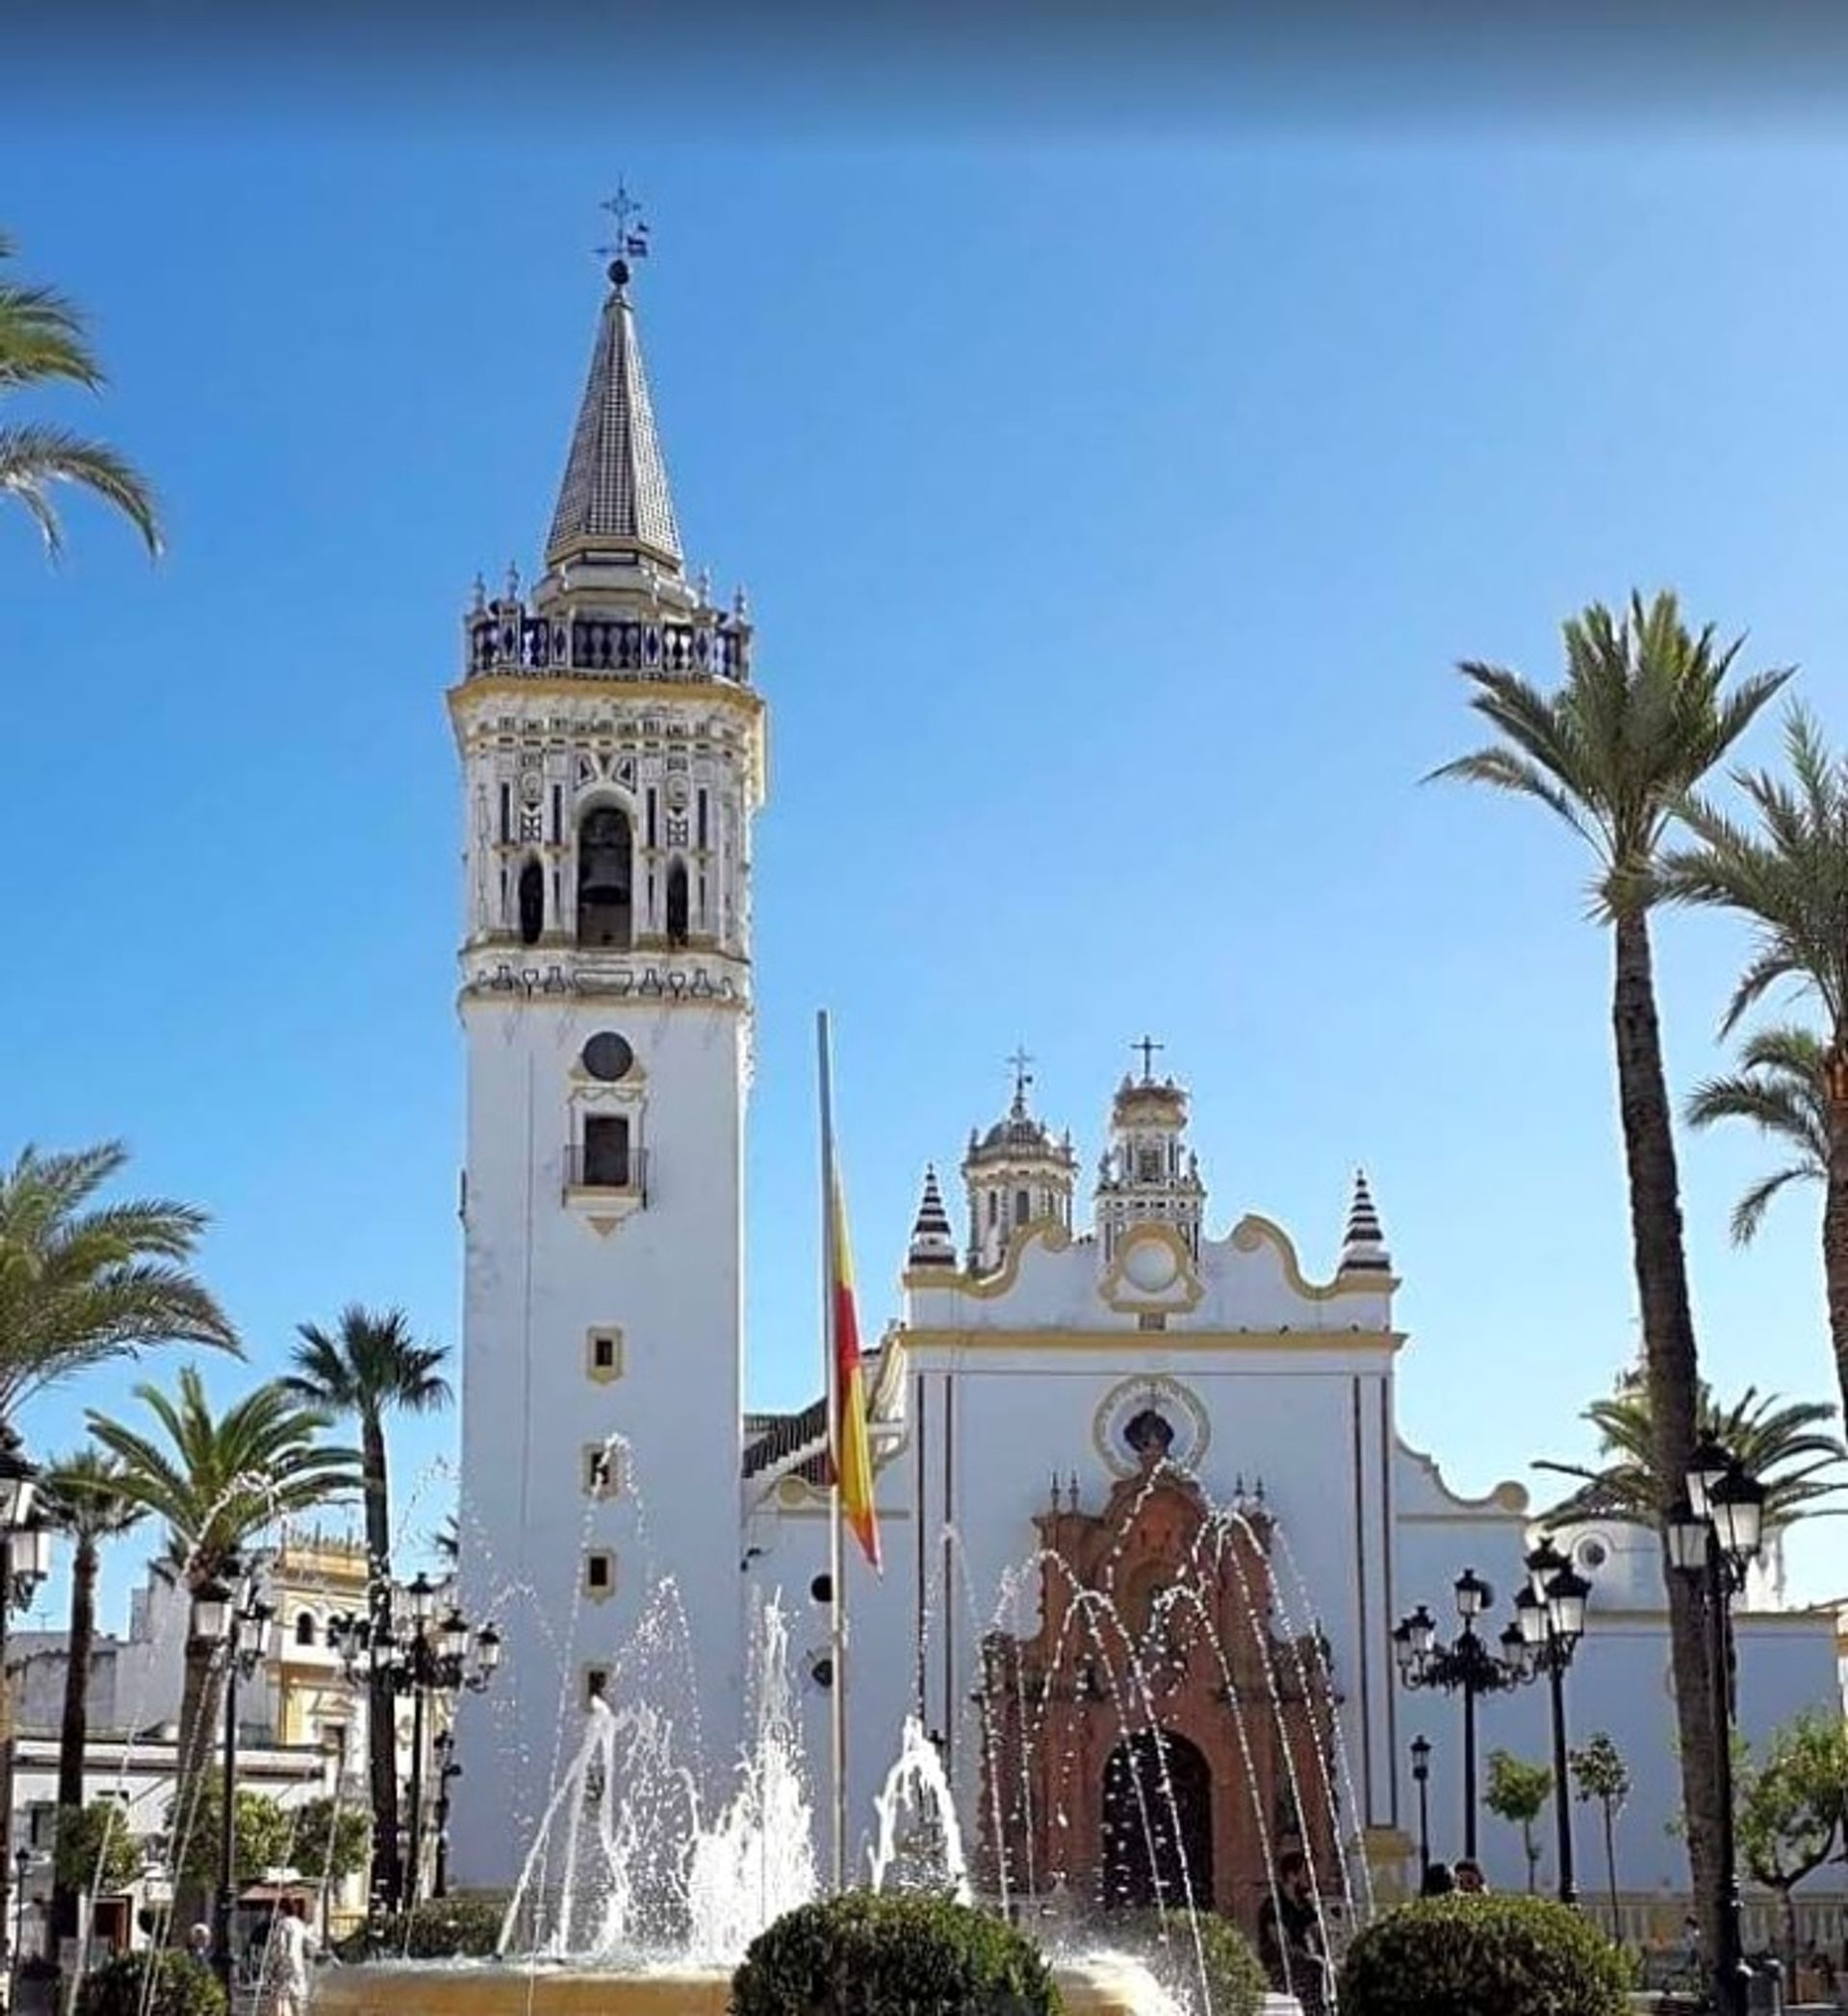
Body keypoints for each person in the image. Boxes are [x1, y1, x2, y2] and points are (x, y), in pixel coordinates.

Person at [1257, 1850, 1328, 2016]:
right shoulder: (1274, 1904)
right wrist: (1307, 1955)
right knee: (1314, 1968)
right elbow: (1279, 1940)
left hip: (1302, 1960)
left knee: (1321, 1967)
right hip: (1279, 1963)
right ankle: (1315, 2012)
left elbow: (1317, 1931)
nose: (1310, 1876)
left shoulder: (1303, 1903)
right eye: (1305, 1872)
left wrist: (1326, 1952)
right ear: (1292, 1876)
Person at [260, 1897, 319, 2016]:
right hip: (298, 1964)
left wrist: (273, 1964)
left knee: (281, 1997)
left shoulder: (282, 1924)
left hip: (284, 1965)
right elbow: (312, 1942)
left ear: (282, 1910)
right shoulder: (299, 1924)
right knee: (298, 1996)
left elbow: (280, 1946)